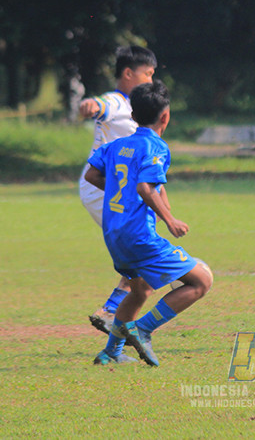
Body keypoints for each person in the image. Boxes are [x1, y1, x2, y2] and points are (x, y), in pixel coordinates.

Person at [84, 80, 213, 366]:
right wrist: (170, 219)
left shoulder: (117, 145)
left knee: (139, 288)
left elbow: (91, 176)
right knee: (202, 280)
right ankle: (142, 331)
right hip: (138, 235)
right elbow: (145, 187)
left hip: (114, 234)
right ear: (165, 117)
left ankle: (111, 352)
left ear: (132, 116)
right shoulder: (156, 146)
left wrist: (122, 189)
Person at [78, 46, 157, 335]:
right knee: (144, 252)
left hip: (114, 189)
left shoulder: (136, 107)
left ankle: (111, 311)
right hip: (102, 187)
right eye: (147, 74)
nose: (150, 80)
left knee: (144, 253)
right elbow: (100, 105)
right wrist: (90, 105)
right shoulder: (117, 101)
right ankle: (112, 312)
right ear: (128, 73)